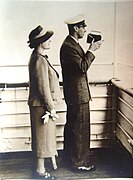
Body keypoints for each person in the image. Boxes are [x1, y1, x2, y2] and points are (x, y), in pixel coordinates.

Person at [60, 15, 102, 171]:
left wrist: (90, 50)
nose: (85, 29)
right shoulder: (69, 46)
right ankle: (78, 163)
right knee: (79, 129)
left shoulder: (72, 44)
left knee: (75, 127)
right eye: (83, 27)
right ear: (76, 28)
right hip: (77, 95)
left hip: (77, 94)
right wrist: (92, 50)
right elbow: (82, 67)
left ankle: (72, 159)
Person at [27, 25, 61, 179]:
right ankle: (40, 172)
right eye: (48, 39)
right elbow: (43, 87)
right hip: (42, 107)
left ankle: (40, 169)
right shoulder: (39, 60)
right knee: (42, 139)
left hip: (40, 106)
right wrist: (51, 108)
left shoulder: (38, 58)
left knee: (43, 138)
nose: (50, 42)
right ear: (41, 42)